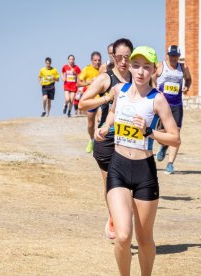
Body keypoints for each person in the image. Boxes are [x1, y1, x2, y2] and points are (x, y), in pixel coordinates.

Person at [95, 46, 180, 276]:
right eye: (136, 66)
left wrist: (150, 131)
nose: (141, 71)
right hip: (119, 167)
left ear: (153, 70)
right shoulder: (119, 90)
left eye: (146, 67)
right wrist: (104, 127)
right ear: (129, 67)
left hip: (144, 172)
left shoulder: (158, 99)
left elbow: (175, 139)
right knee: (122, 235)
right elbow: (113, 112)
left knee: (144, 240)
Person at [79, 38, 133, 239]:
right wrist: (107, 98)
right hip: (107, 139)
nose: (123, 61)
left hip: (129, 139)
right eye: (119, 57)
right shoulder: (105, 78)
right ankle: (113, 216)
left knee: (127, 185)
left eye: (127, 57)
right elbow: (83, 104)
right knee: (111, 184)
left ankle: (121, 219)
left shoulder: (138, 77)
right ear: (113, 56)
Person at [152, 45, 192, 174]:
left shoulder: (183, 67)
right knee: (159, 134)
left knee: (176, 133)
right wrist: (155, 90)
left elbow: (189, 79)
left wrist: (186, 87)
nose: (173, 58)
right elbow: (152, 78)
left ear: (179, 56)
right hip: (162, 105)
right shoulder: (161, 66)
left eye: (176, 56)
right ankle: (163, 145)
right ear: (167, 55)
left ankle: (170, 164)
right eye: (171, 55)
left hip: (176, 105)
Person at [77, 51, 101, 152]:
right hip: (90, 100)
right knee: (91, 124)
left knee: (100, 120)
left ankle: (100, 142)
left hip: (101, 99)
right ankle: (91, 140)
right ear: (91, 61)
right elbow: (78, 83)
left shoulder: (103, 69)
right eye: (95, 60)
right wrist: (89, 82)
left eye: (99, 60)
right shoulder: (87, 69)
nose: (97, 62)